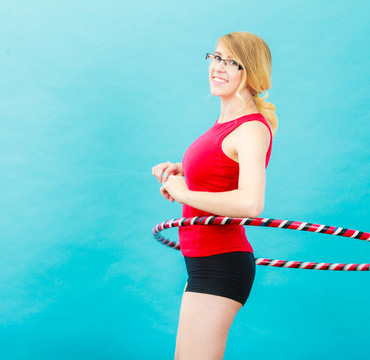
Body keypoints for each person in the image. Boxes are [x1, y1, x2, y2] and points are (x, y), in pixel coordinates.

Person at [151, 31, 278, 360]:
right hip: (202, 261)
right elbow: (220, 170)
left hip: (220, 262)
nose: (217, 67)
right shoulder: (225, 124)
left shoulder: (251, 128)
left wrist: (183, 190)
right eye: (215, 57)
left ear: (249, 71)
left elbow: (250, 204)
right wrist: (182, 171)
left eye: (230, 62)